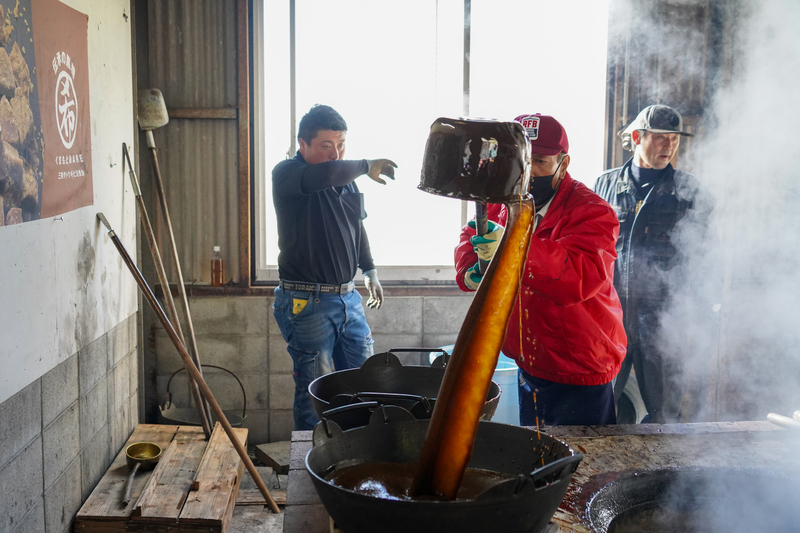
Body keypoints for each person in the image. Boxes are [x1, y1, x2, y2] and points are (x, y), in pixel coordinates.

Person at [455, 113, 627, 427]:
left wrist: (511, 248)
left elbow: (578, 277)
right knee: (536, 457)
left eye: (541, 162)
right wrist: (470, 269)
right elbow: (473, 232)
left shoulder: (592, 211)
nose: (528, 172)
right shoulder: (504, 200)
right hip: (530, 357)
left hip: (580, 365)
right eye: (520, 160)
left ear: (564, 163)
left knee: (582, 464)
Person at [271, 104, 397, 430]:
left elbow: (357, 228)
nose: (336, 154)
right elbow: (326, 174)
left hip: (348, 298)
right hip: (307, 301)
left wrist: (370, 271)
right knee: (316, 393)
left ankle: (354, 460)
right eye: (327, 146)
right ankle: (309, 470)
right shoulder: (288, 174)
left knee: (365, 384)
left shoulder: (348, 181)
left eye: (341, 145)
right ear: (303, 144)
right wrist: (367, 164)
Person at [593, 104, 698, 424]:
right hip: (611, 317)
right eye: (660, 138)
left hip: (664, 321)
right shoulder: (604, 186)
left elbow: (704, 256)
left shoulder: (689, 191)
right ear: (637, 137)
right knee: (599, 406)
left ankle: (665, 475)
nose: (669, 146)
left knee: (665, 415)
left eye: (675, 139)